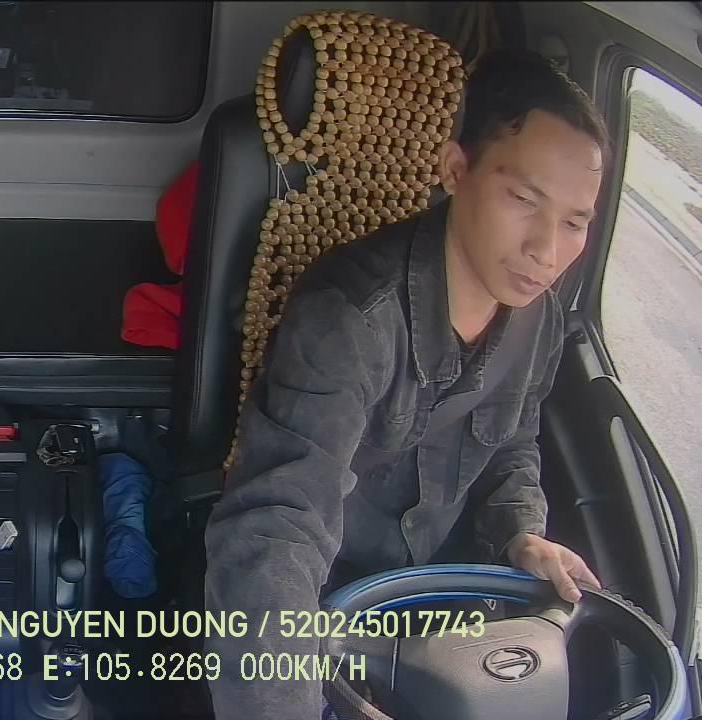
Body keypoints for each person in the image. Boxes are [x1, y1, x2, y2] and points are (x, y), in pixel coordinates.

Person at [204, 49, 609, 719]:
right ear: (455, 170)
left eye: (574, 222)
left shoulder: (541, 318)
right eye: (522, 199)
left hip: (440, 604)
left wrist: (520, 532)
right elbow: (278, 528)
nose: (546, 250)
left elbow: (513, 443)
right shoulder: (348, 318)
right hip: (323, 606)